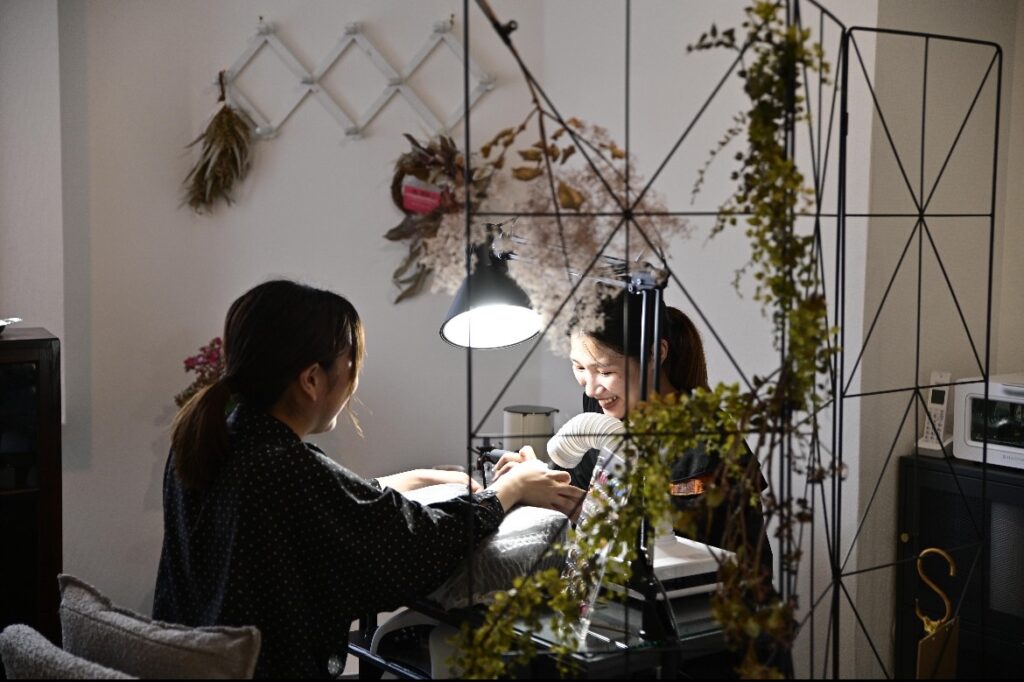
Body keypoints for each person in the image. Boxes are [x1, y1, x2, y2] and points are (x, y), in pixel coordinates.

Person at [153, 279, 579, 679]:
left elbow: (329, 504)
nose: (354, 380)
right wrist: (510, 489)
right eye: (350, 364)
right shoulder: (281, 465)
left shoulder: (217, 440)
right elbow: (417, 544)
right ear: (312, 379)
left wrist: (418, 477)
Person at [494, 289, 773, 573]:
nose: (591, 389)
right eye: (579, 367)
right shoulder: (602, 407)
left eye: (605, 372)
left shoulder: (707, 440)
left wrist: (594, 516)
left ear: (654, 354)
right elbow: (578, 487)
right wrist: (539, 479)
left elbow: (684, 552)